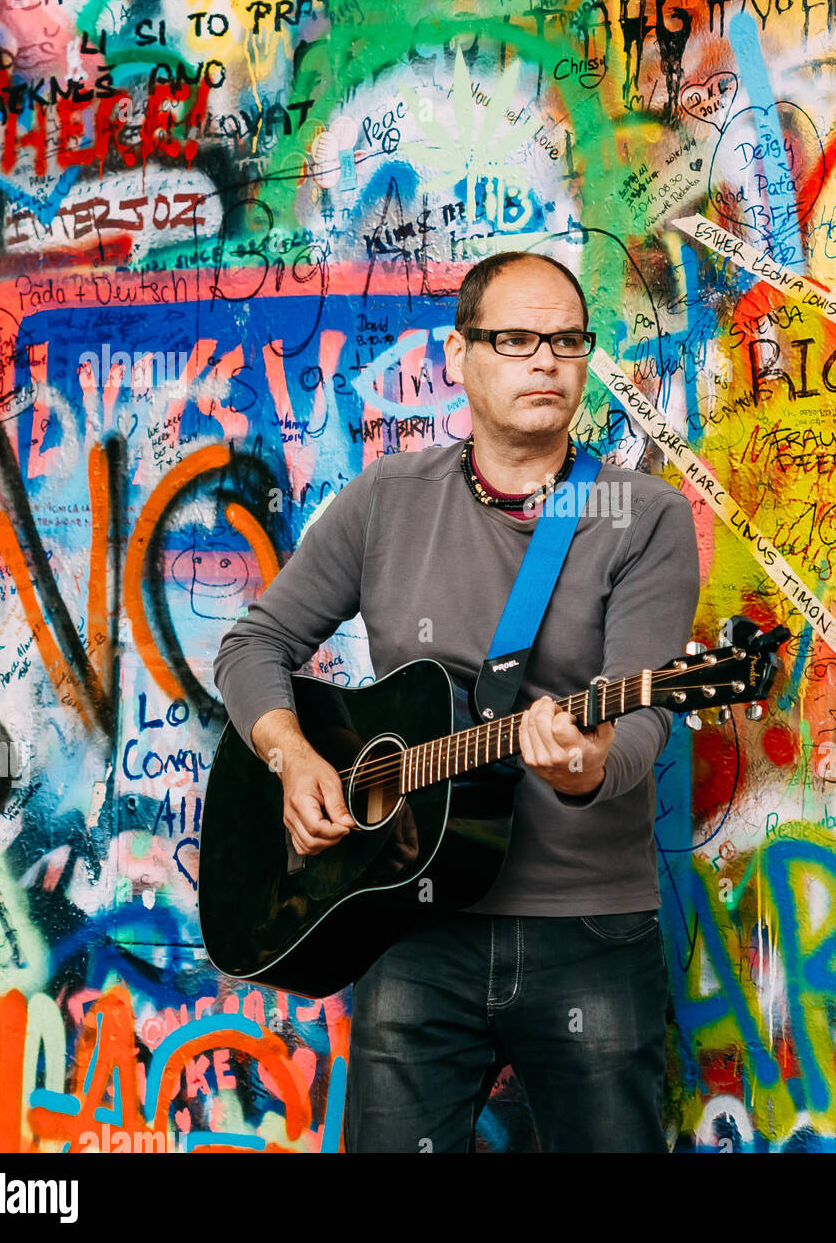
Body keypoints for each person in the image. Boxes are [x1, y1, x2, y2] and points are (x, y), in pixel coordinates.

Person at [212, 251, 700, 1152]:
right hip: (407, 918)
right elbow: (254, 645)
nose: (545, 361)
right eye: (515, 339)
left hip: (585, 928)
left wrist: (586, 766)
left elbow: (641, 720)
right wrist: (293, 754)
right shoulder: (388, 499)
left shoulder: (645, 515)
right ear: (460, 355)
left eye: (566, 340)